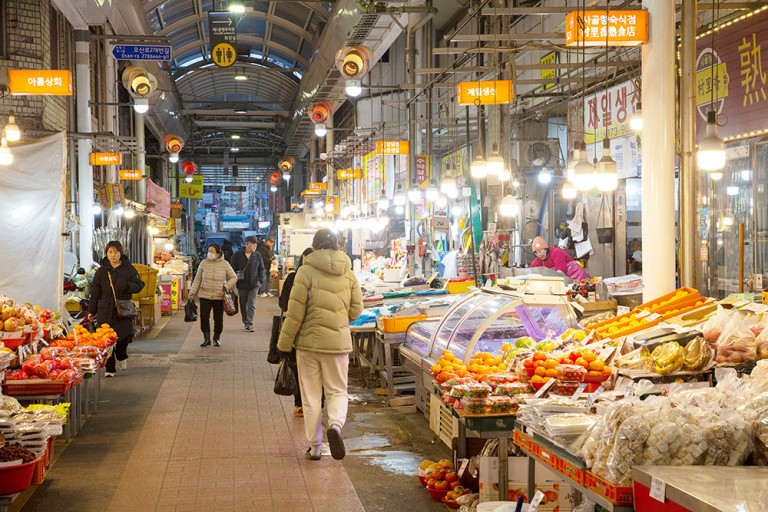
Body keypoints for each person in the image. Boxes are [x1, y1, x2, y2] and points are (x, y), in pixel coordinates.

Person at [277, 229, 363, 461]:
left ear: (314, 247)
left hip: (308, 344)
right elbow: (356, 309)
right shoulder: (348, 273)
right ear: (336, 246)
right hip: (338, 344)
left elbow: (294, 313)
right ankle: (335, 426)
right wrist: (338, 322)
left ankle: (315, 447)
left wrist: (284, 344)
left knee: (311, 396)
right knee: (337, 391)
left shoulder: (305, 272)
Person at [89, 241, 145, 377]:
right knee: (106, 339)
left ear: (121, 253)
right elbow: (95, 291)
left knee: (123, 338)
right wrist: (92, 310)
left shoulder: (129, 269)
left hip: (123, 309)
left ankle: (121, 356)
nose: (113, 255)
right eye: (110, 252)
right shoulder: (101, 271)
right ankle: (109, 369)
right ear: (106, 253)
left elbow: (139, 285)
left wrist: (127, 285)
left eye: (115, 252)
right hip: (105, 310)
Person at [279, 247, 315, 417]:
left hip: (303, 333)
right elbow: (283, 302)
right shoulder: (295, 277)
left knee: (304, 370)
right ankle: (306, 405)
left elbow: (284, 303)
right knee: (305, 370)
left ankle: (307, 404)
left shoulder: (302, 278)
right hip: (304, 332)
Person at [189, 244, 237, 347]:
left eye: (212, 251)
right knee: (204, 317)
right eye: (209, 251)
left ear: (218, 253)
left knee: (218, 318)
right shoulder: (203, 263)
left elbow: (234, 277)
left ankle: (216, 338)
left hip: (219, 296)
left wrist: (226, 286)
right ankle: (206, 338)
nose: (209, 253)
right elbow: (197, 279)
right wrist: (192, 291)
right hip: (204, 295)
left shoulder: (225, 264)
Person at [230, 236, 265, 332]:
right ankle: (245, 321)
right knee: (243, 304)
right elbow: (231, 268)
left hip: (254, 284)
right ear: (247, 244)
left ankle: (250, 323)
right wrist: (231, 281)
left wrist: (260, 280)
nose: (255, 246)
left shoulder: (257, 255)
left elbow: (261, 268)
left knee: (252, 304)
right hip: (242, 284)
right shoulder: (237, 255)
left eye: (256, 245)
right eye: (253, 245)